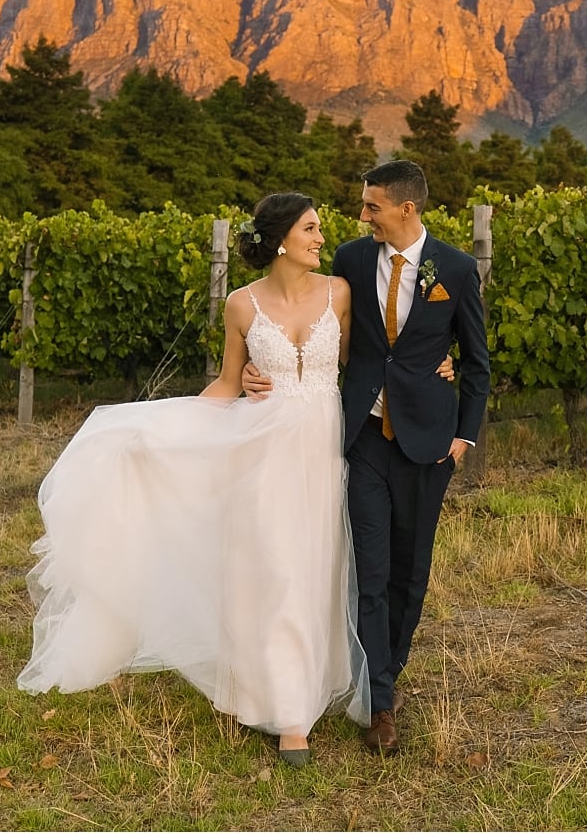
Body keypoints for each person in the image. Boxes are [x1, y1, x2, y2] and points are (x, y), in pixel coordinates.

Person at [17, 193, 370, 766]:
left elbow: (364, 366)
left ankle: (292, 689)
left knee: (314, 571)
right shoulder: (240, 305)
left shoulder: (340, 294)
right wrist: (158, 432)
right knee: (272, 570)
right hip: (262, 454)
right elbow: (229, 384)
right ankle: (289, 717)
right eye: (310, 229)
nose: (320, 238)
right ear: (281, 239)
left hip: (323, 453)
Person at [245, 159, 490, 755]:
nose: (361, 216)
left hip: (429, 444)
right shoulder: (352, 261)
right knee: (370, 572)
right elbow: (328, 336)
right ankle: (380, 702)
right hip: (361, 441)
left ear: (406, 209)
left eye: (372, 206)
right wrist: (263, 365)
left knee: (412, 572)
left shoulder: (454, 270)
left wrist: (464, 437)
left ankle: (390, 668)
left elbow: (477, 362)